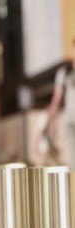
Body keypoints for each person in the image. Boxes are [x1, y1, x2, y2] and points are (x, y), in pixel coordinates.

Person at [48, 38, 75, 168]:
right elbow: (57, 99)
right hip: (69, 117)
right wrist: (53, 123)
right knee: (72, 159)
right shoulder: (64, 72)